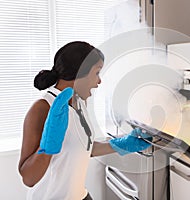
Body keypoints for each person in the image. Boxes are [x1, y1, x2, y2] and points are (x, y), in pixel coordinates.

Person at [18, 41, 151, 200]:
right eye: (96, 72)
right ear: (79, 72)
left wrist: (122, 144)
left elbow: (83, 148)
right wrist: (47, 148)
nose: (99, 81)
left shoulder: (79, 102)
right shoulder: (42, 108)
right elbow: (29, 178)